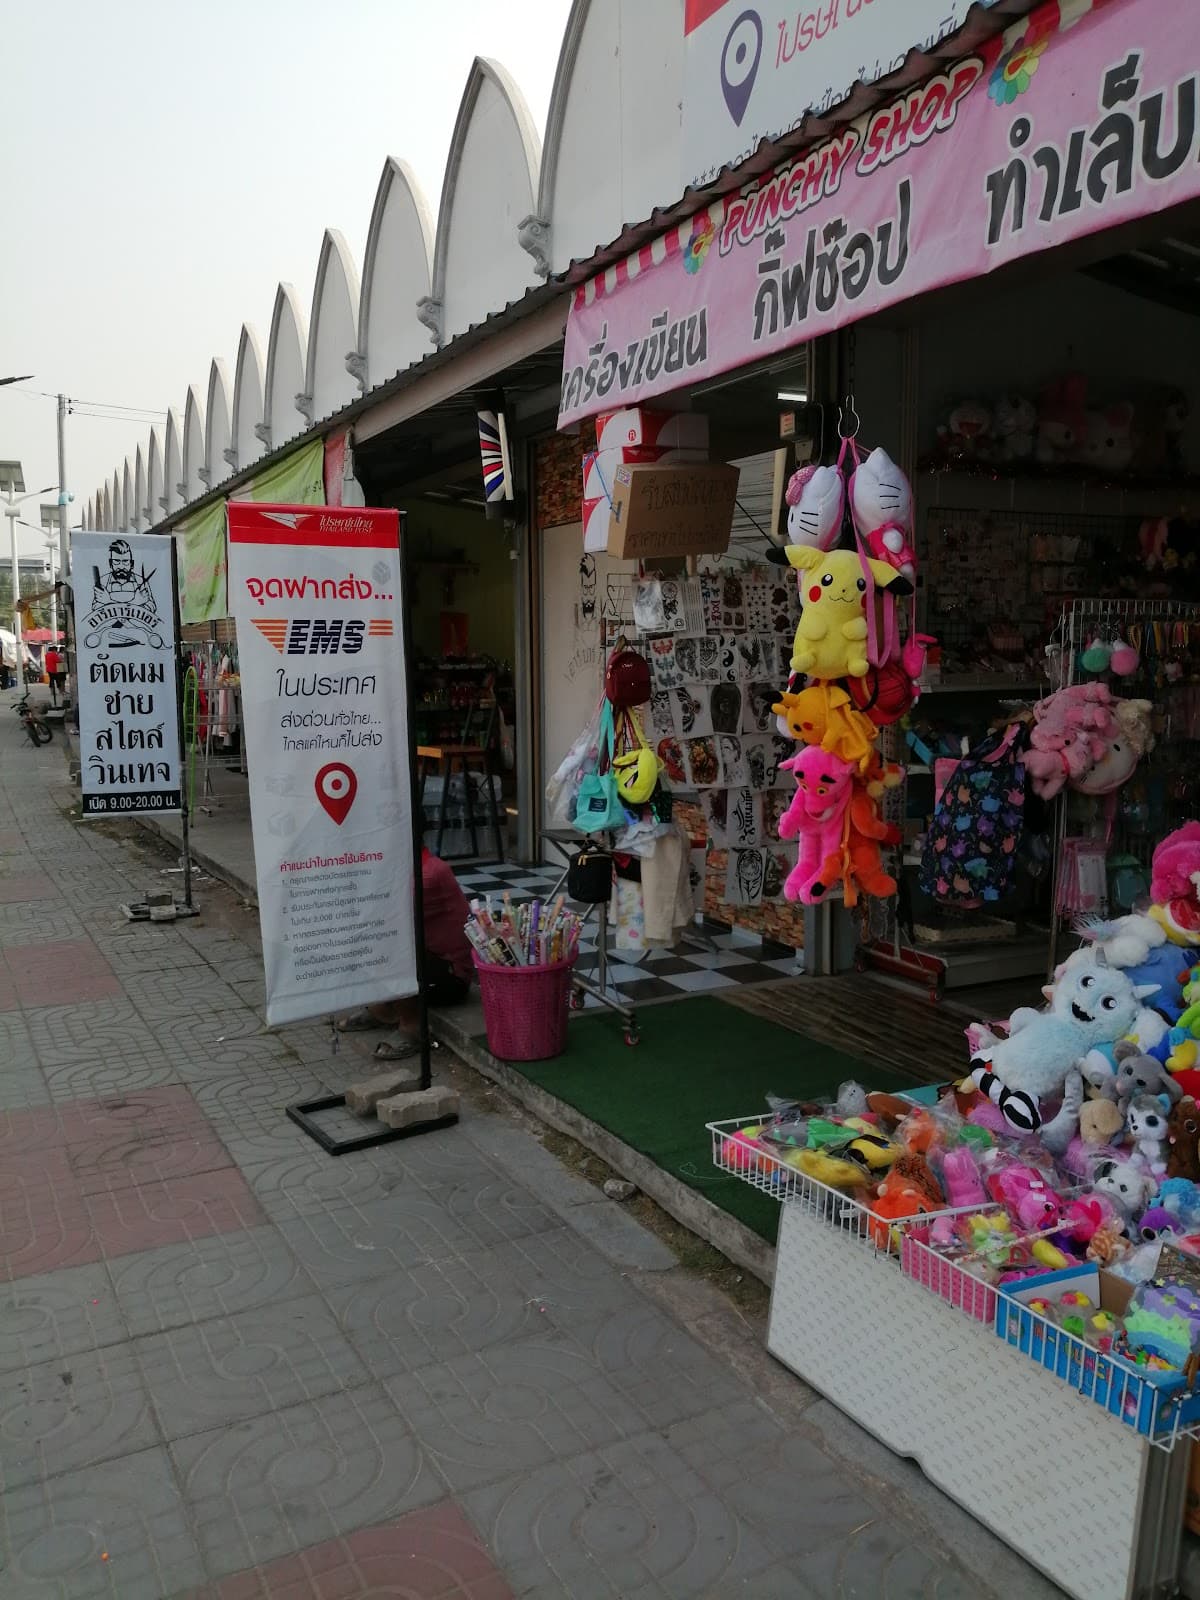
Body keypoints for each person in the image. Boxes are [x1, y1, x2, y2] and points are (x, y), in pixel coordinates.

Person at [338, 847, 473, 1058]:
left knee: (390, 943)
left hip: (452, 976)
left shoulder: (427, 873)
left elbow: (382, 918)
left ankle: (412, 1028)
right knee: (376, 940)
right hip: (430, 960)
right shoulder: (402, 867)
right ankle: (383, 1007)